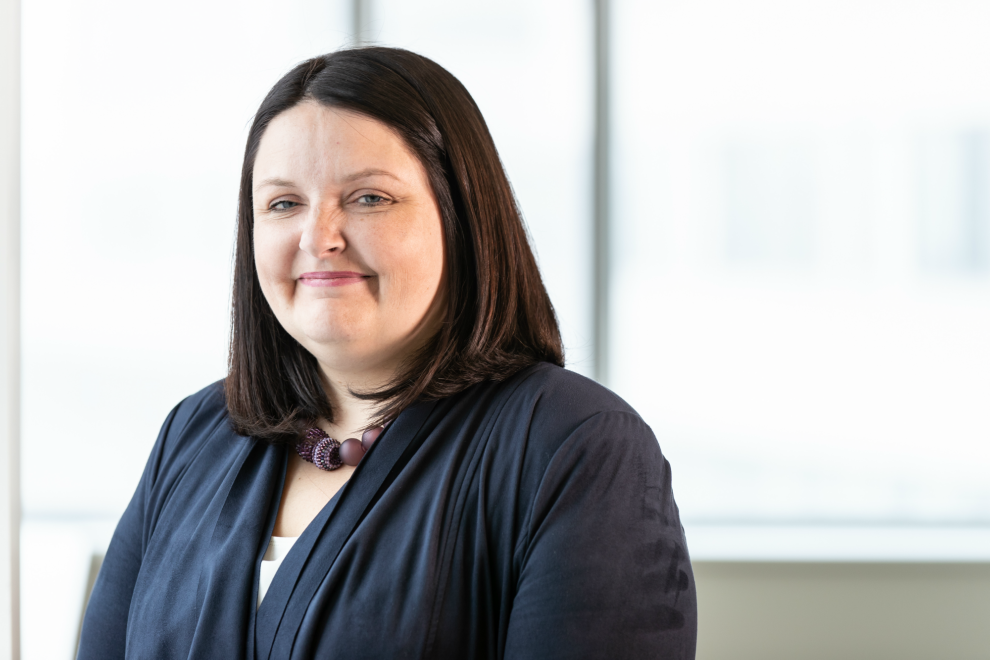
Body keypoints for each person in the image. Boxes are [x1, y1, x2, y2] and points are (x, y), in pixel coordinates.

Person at [77, 47, 697, 659]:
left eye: (369, 198)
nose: (319, 238)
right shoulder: (196, 433)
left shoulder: (576, 446)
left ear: (463, 218)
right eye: (283, 203)